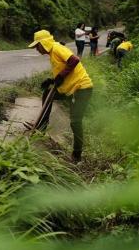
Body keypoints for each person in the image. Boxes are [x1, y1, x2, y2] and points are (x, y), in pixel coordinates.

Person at [28, 29, 93, 162]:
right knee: (48, 93)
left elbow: (74, 60)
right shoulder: (52, 53)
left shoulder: (57, 48)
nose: (37, 49)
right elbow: (62, 69)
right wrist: (53, 80)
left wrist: (61, 76)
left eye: (37, 46)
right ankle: (41, 127)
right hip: (68, 89)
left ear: (44, 43)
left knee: (75, 122)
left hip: (81, 89)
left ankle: (76, 155)